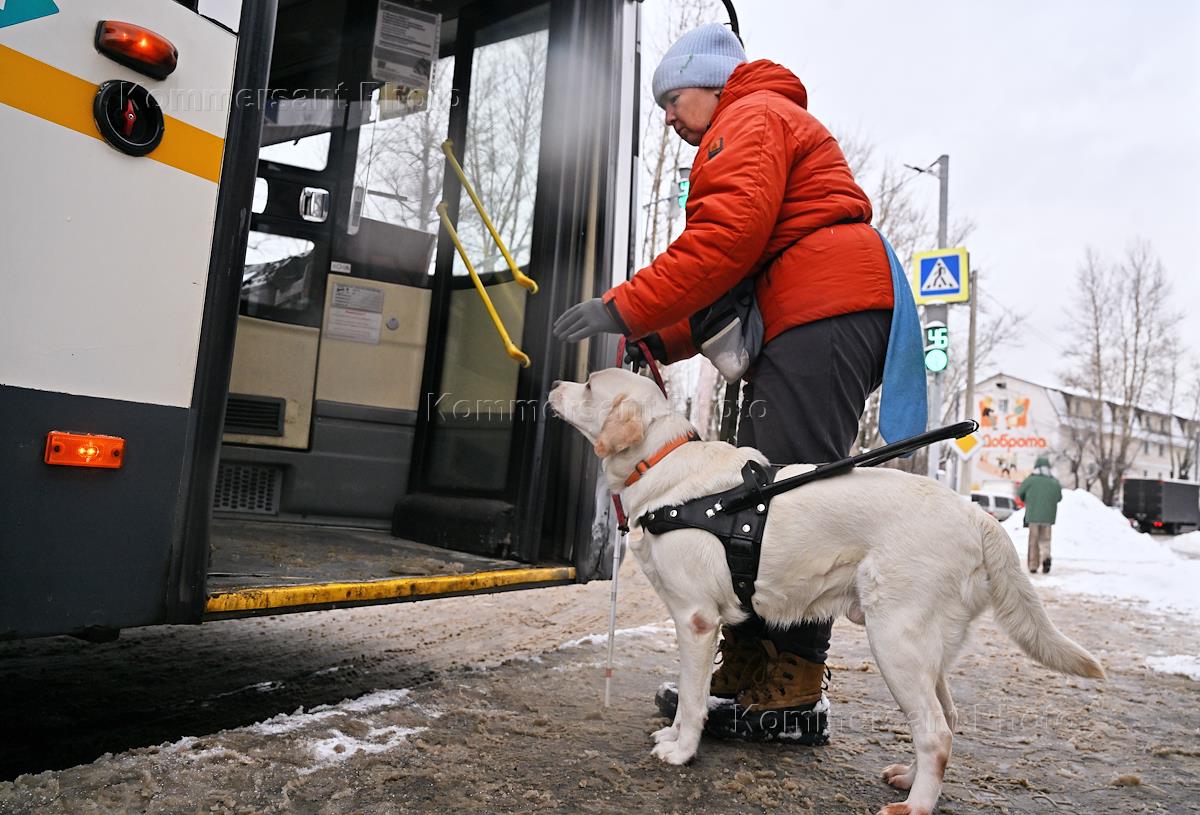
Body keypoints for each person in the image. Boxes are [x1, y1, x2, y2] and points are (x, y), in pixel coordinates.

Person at [553, 23, 925, 742]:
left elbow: (723, 242)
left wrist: (623, 306)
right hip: (805, 312)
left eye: (672, 99)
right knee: (754, 493)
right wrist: (655, 336)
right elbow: (729, 282)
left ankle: (795, 684)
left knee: (795, 495)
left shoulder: (749, 116)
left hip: (825, 311)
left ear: (711, 83)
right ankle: (748, 665)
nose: (668, 117)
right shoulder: (754, 121)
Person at [1018, 456, 1063, 574]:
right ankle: (1046, 557)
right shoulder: (1054, 482)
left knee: (1033, 541)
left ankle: (1033, 565)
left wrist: (1028, 500)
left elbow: (1020, 493)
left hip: (1033, 516)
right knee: (1046, 540)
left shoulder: (1030, 480)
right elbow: (1059, 497)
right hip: (1048, 517)